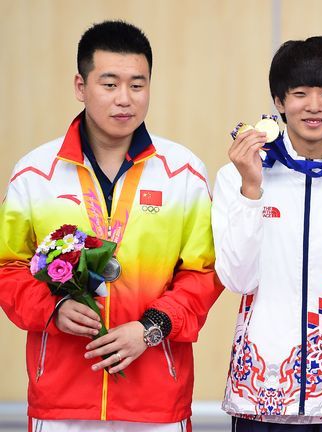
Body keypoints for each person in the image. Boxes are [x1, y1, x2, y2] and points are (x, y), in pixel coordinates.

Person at [0, 20, 221, 431]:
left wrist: (151, 328)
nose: (124, 99)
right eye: (109, 84)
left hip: (156, 398)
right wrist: (53, 309)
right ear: (80, 86)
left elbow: (204, 272)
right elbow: (7, 267)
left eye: (137, 85)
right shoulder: (34, 174)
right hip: (61, 399)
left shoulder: (183, 173)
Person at [212, 36, 322, 431]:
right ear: (279, 101)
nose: (314, 105)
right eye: (300, 93)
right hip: (262, 395)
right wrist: (251, 189)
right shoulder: (236, 178)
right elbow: (238, 279)